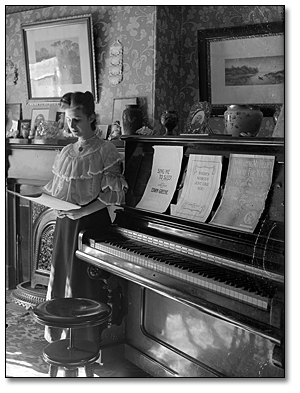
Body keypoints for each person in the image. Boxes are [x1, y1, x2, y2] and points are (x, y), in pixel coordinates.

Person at [42, 91, 128, 343]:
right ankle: (62, 337)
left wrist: (80, 212)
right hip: (64, 224)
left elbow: (110, 196)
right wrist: (55, 206)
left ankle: (86, 340)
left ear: (91, 118)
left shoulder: (106, 150)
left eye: (77, 119)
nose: (72, 125)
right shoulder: (67, 151)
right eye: (69, 120)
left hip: (90, 225)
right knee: (62, 275)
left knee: (83, 281)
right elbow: (58, 189)